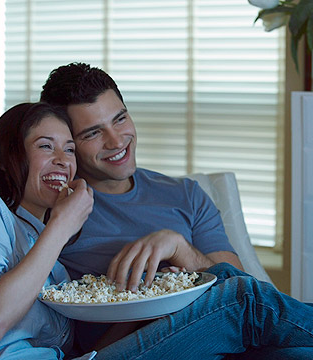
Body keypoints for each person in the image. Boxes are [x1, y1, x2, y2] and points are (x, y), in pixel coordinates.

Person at [39, 62, 313, 359]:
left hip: (226, 342)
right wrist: (153, 300)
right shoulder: (55, 209)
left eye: (120, 119)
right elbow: (246, 300)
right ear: (68, 143)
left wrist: (179, 248)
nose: (116, 141)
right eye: (93, 133)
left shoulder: (186, 195)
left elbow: (237, 283)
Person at [0, 102, 95, 359]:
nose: (63, 160)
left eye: (70, 149)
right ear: (8, 158)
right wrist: (61, 226)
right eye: (45, 146)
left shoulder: (46, 251)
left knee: (186, 310)